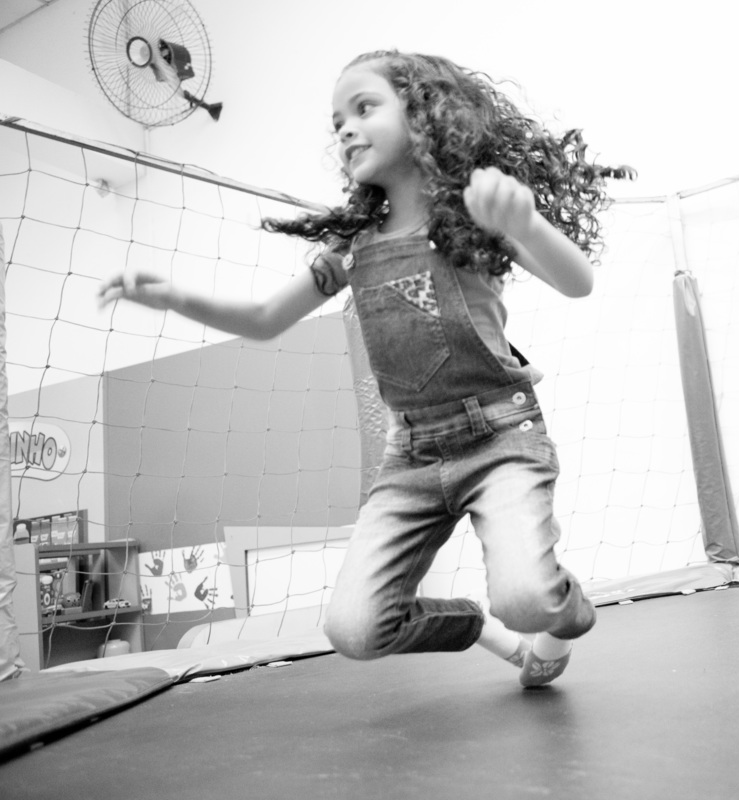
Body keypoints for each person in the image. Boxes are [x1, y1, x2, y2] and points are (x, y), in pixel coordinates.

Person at [98, 50, 633, 688]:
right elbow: (266, 318)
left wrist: (525, 224)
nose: (346, 129)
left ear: (423, 114)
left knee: (529, 600)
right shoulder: (352, 248)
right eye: (337, 122)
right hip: (410, 456)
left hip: (499, 439)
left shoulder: (472, 218)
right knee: (354, 630)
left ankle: (557, 618)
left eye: (363, 108)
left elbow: (578, 282)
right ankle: (483, 631)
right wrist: (175, 298)